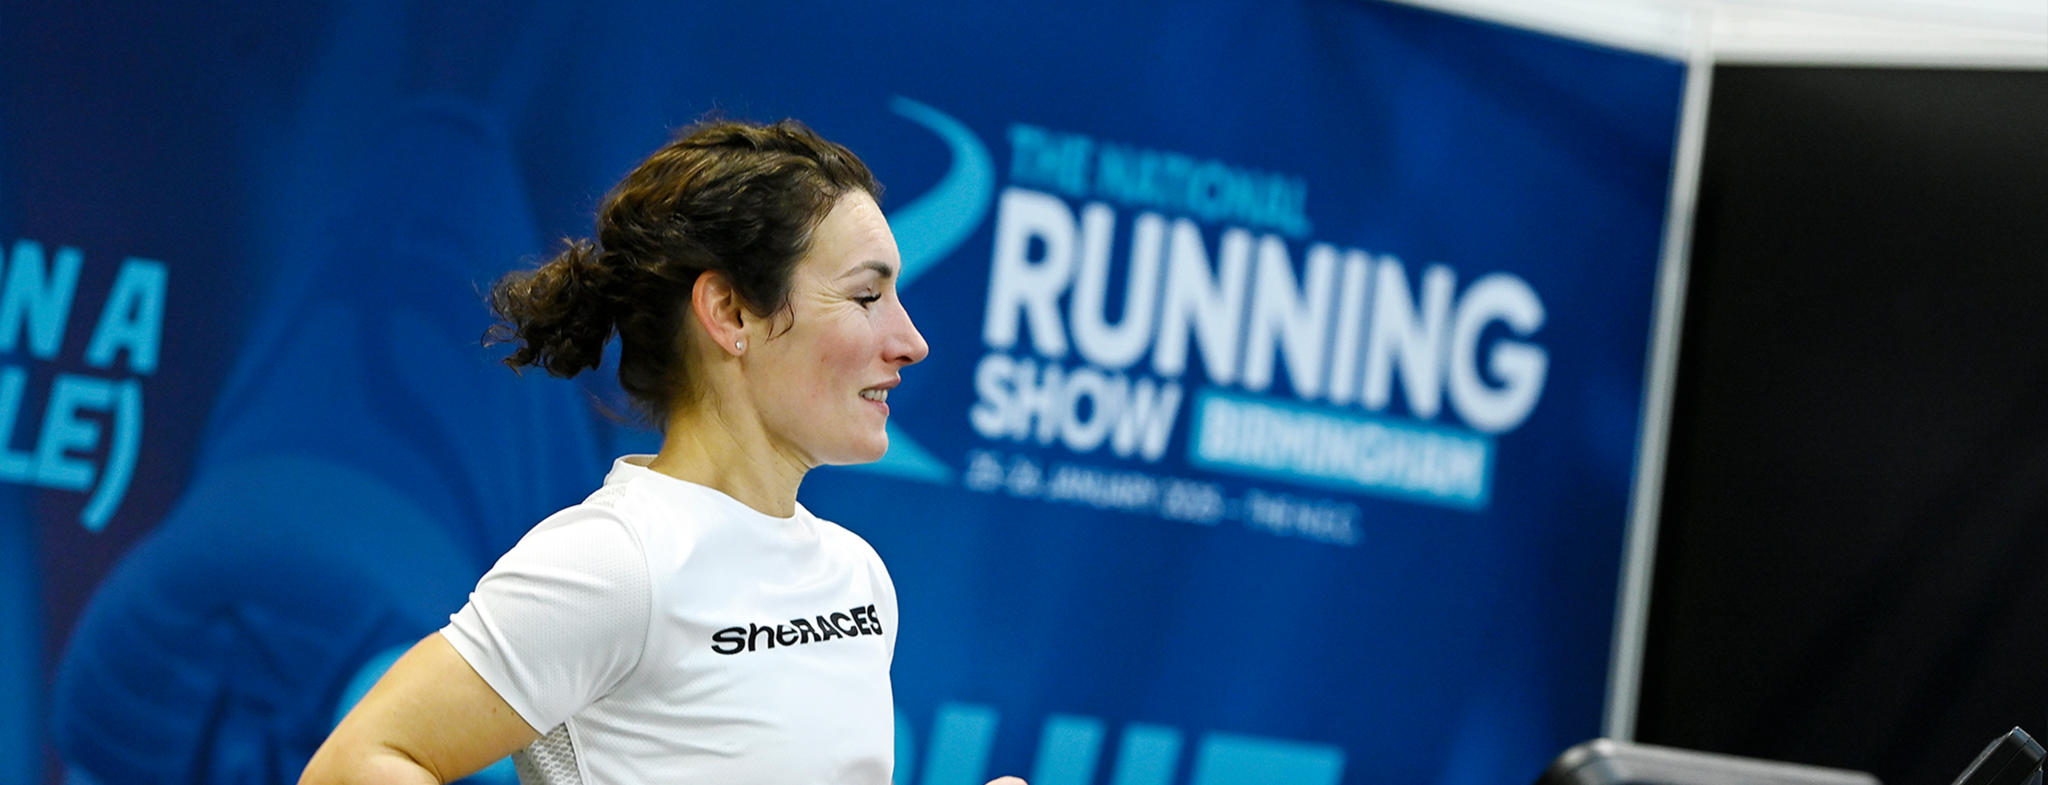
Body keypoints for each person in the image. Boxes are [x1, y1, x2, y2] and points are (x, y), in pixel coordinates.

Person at [300, 119, 1016, 785]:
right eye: (866, 297)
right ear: (730, 313)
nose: (912, 341)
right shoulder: (616, 558)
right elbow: (357, 763)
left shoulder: (859, 576)